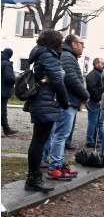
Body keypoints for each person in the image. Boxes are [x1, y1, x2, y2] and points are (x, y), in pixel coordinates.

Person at [24, 30, 69, 191]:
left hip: (42, 101)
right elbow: (57, 80)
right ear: (54, 41)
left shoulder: (42, 54)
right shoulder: (48, 56)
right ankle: (33, 178)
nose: (62, 43)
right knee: (39, 141)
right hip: (46, 102)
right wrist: (65, 102)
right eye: (60, 40)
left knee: (38, 140)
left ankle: (34, 177)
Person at [43, 34, 88, 180]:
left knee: (61, 135)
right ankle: (55, 167)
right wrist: (85, 94)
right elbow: (71, 79)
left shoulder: (68, 56)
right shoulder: (68, 56)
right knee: (60, 135)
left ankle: (59, 165)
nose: (83, 46)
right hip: (67, 101)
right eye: (82, 43)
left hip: (69, 100)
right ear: (74, 44)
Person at [85, 58, 104, 148]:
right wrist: (97, 99)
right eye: (101, 63)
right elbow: (92, 88)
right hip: (95, 102)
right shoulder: (93, 75)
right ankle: (90, 140)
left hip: (99, 101)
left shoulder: (99, 73)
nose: (103, 64)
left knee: (100, 123)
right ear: (96, 64)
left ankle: (101, 139)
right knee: (92, 122)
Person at [1, 48, 19, 136]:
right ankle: (6, 129)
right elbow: (8, 78)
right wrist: (15, 79)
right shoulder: (7, 64)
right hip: (3, 91)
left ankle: (6, 129)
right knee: (2, 111)